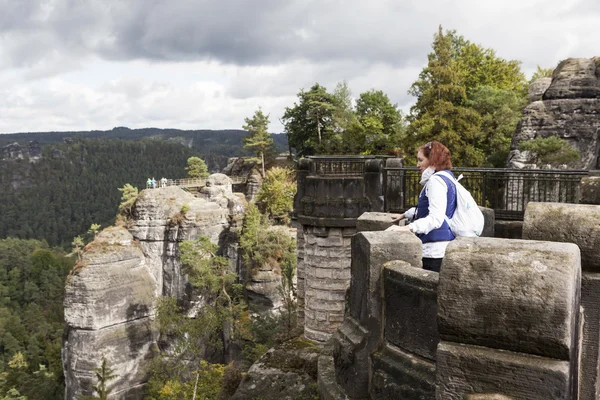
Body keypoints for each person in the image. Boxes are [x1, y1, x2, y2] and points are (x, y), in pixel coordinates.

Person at [389, 141, 457, 273]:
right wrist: (404, 215)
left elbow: (436, 218)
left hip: (434, 250)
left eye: (420, 160)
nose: (417, 165)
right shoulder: (447, 177)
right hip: (441, 245)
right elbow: (429, 209)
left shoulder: (435, 181)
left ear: (432, 160)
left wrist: (407, 228)